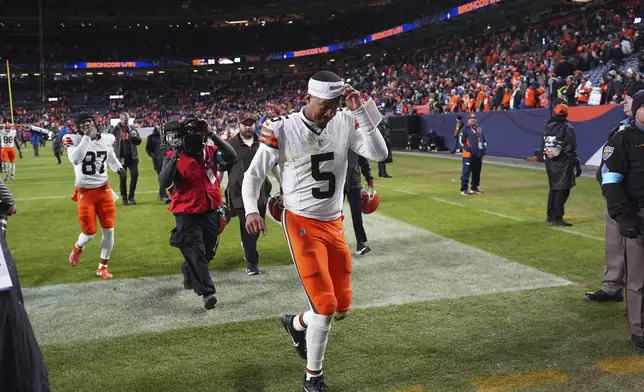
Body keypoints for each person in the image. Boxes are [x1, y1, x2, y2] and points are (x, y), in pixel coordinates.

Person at [242, 71, 388, 391]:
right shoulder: (281, 127)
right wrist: (252, 209)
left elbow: (379, 153)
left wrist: (359, 108)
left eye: (335, 104)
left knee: (343, 306)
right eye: (325, 104)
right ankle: (313, 379)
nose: (331, 111)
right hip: (301, 222)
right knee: (325, 304)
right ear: (307, 98)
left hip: (333, 222)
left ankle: (295, 324)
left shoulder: (345, 118)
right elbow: (253, 175)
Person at [159, 119, 236, 310]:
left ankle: (188, 268)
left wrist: (212, 134)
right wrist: (176, 155)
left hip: (210, 210)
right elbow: (163, 181)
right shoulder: (173, 156)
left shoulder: (209, 151)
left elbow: (231, 156)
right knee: (197, 251)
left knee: (207, 252)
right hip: (187, 213)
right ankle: (207, 293)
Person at [585, 85, 644, 302]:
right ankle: (613, 285)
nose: (624, 102)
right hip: (618, 196)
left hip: (636, 199)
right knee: (615, 242)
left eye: (629, 99)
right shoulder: (622, 129)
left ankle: (627, 291)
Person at [598, 90, 644, 353]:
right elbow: (610, 180)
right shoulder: (621, 140)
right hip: (637, 213)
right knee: (638, 278)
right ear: (636, 110)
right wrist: (622, 215)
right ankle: (639, 330)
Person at [64, 113, 126, 280]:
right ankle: (78, 247)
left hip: (104, 190)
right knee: (89, 234)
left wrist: (119, 168)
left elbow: (111, 157)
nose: (87, 125)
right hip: (85, 192)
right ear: (78, 127)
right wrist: (86, 138)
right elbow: (76, 159)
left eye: (89, 122)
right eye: (82, 123)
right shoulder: (72, 139)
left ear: (95, 123)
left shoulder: (106, 139)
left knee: (109, 231)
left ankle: (102, 267)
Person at [219, 112, 275, 276]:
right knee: (249, 227)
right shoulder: (229, 145)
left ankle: (247, 246)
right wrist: (217, 190)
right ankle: (252, 263)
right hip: (238, 194)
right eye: (245, 123)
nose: (248, 126)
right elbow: (221, 169)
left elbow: (275, 165)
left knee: (256, 228)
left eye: (251, 123)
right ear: (238, 125)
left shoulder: (264, 143)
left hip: (261, 192)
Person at [542, 104, 581, 226]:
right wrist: (576, 163)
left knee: (554, 189)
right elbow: (570, 147)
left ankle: (550, 215)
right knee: (562, 190)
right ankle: (557, 217)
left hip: (550, 161)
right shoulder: (568, 128)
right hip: (564, 162)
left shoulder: (548, 126)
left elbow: (542, 145)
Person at [345, 149, 374, 255]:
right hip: (337, 184)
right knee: (335, 216)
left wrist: (369, 177)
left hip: (354, 182)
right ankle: (334, 244)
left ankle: (360, 244)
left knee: (357, 216)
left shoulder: (355, 139)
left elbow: (363, 159)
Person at [110, 112, 142, 205]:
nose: (126, 120)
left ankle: (131, 196)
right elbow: (110, 142)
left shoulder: (132, 128)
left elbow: (138, 141)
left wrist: (135, 137)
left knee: (135, 176)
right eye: (125, 119)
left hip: (132, 157)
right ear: (121, 119)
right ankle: (124, 198)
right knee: (123, 178)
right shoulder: (115, 130)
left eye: (127, 118)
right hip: (121, 158)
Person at [459, 113, 487, 195]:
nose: (473, 119)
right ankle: (464, 189)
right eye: (471, 118)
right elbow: (461, 142)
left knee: (476, 172)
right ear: (468, 120)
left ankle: (474, 188)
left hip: (478, 155)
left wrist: (484, 150)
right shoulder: (465, 129)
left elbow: (484, 140)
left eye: (474, 118)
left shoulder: (479, 129)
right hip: (468, 155)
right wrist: (468, 149)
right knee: (466, 172)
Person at [145, 126, 170, 204]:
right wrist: (154, 156)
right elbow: (148, 149)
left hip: (167, 160)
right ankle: (163, 195)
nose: (161, 128)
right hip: (158, 161)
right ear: (156, 127)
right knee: (162, 177)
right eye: (159, 127)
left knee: (165, 177)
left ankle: (161, 194)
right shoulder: (151, 137)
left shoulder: (167, 136)